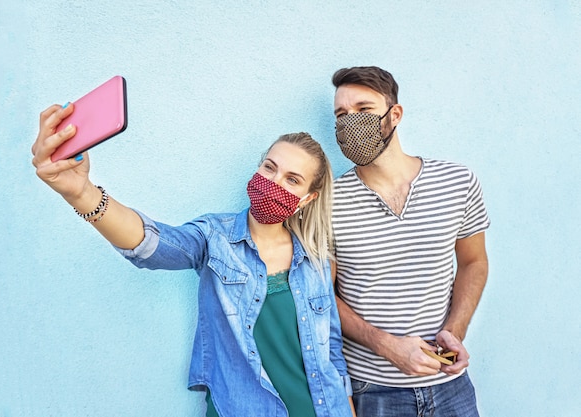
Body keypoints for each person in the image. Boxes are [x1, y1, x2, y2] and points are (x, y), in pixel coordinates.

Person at [31, 102, 356, 417]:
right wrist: (81, 193)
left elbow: (332, 355)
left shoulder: (316, 259)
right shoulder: (214, 238)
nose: (274, 182)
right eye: (269, 167)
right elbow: (151, 243)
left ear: (306, 200)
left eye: (292, 180)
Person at [329, 66, 490, 416]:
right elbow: (323, 296)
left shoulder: (457, 182)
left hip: (450, 385)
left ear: (395, 114)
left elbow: (474, 262)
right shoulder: (328, 201)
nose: (349, 122)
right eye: (341, 114)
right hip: (374, 392)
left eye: (363, 110)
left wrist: (454, 330)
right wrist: (387, 347)